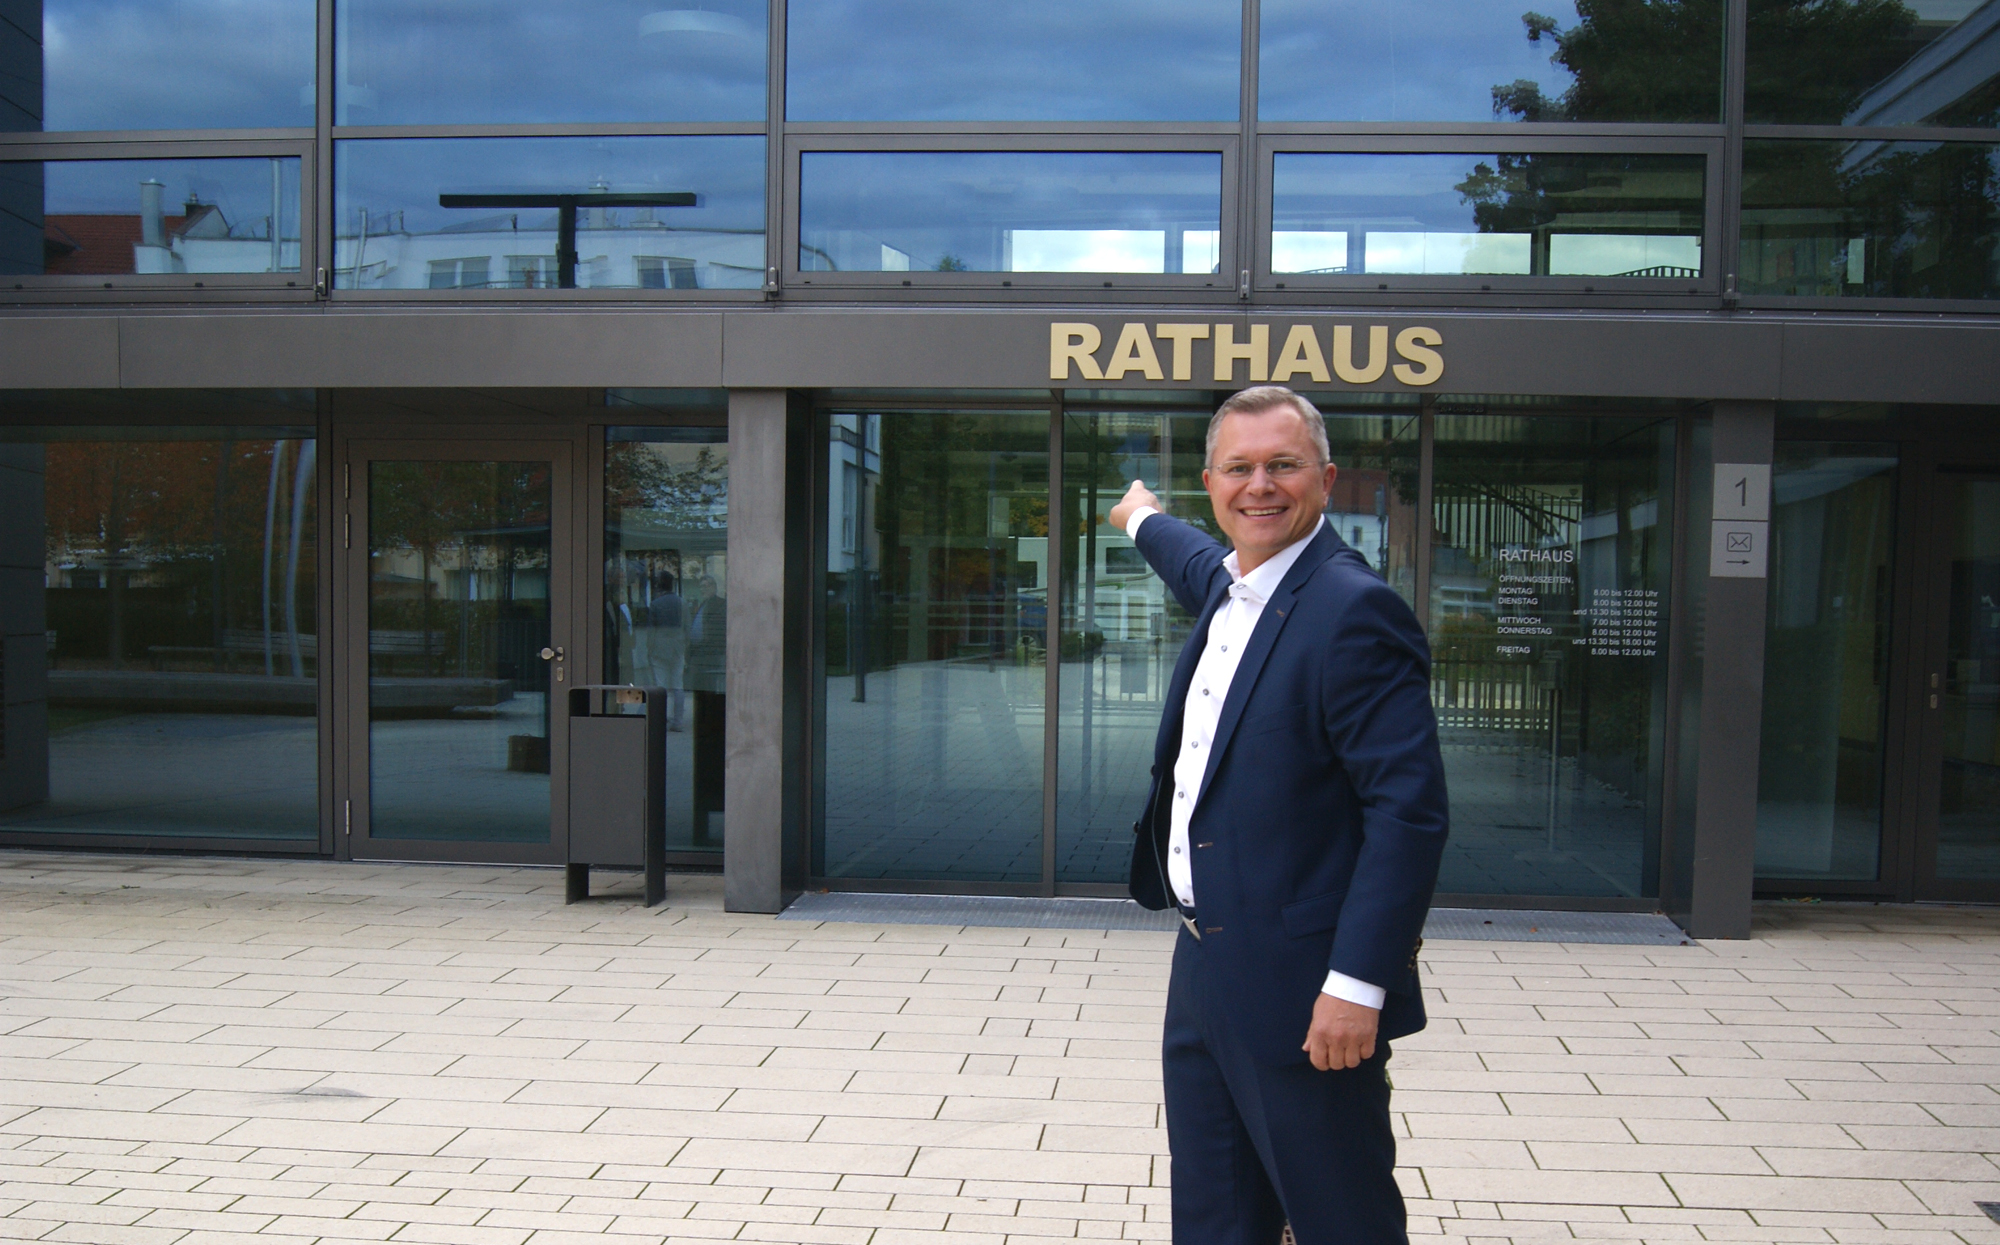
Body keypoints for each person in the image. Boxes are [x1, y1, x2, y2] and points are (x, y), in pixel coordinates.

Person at [1106, 386, 1448, 1245]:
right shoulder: (1233, 582)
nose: (1260, 485)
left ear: (1325, 479)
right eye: (1239, 468)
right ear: (1212, 485)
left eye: (1283, 465)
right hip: (1203, 961)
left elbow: (1407, 815)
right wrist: (1142, 515)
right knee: (1217, 1217)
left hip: (1306, 992)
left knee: (1342, 1220)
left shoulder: (1352, 610)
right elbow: (1189, 556)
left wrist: (1357, 985)